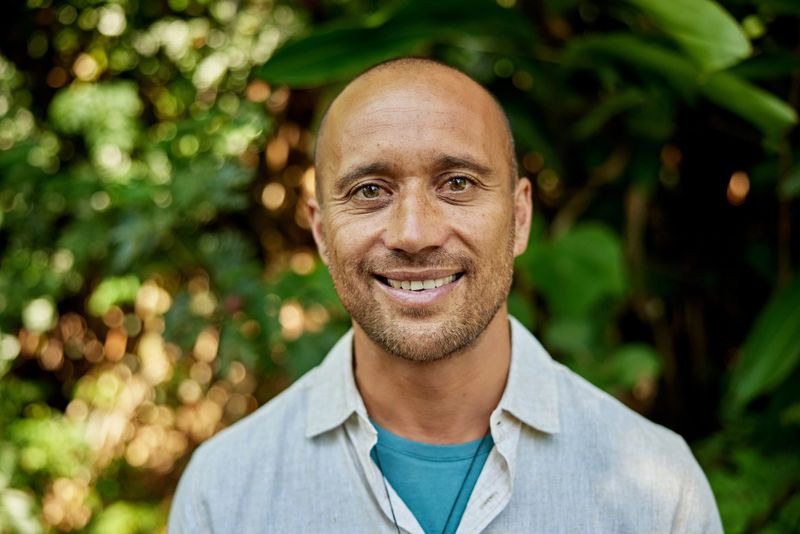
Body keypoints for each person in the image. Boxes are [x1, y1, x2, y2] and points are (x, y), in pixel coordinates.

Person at [169, 57, 722, 533]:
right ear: (320, 232)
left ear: (520, 217)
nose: (414, 234)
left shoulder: (660, 492)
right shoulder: (225, 493)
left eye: (457, 183)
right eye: (370, 191)